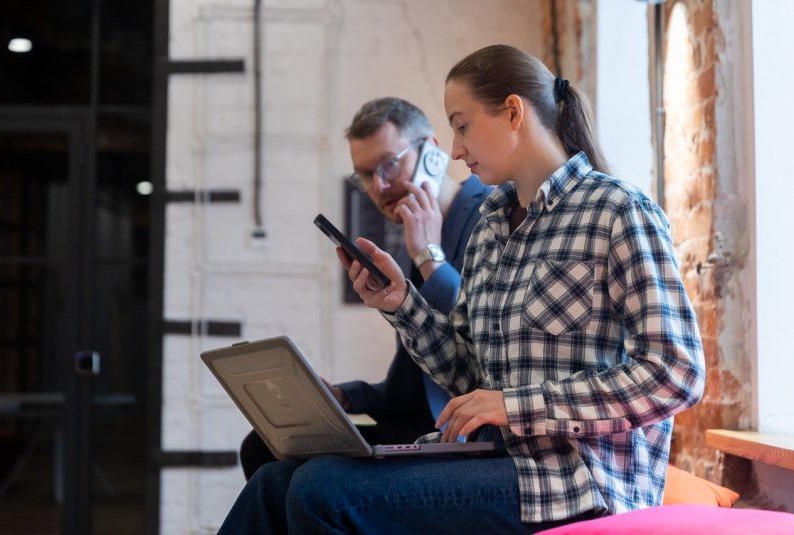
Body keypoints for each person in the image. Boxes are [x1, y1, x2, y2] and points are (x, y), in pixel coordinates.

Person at [218, 44, 706, 534]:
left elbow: (676, 374)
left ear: (513, 112)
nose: (453, 150)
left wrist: (514, 405)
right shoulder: (491, 227)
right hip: (494, 460)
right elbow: (468, 373)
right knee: (274, 480)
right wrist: (402, 304)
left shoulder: (618, 211)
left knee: (320, 490)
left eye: (462, 125)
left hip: (575, 481)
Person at [237, 96, 492, 480]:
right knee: (262, 447)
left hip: (454, 433)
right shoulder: (409, 244)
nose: (380, 186)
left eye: (389, 164)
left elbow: (476, 350)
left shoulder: (488, 216)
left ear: (432, 152)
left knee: (309, 478)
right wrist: (345, 396)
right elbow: (411, 386)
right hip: (409, 426)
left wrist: (430, 257)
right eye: (366, 175)